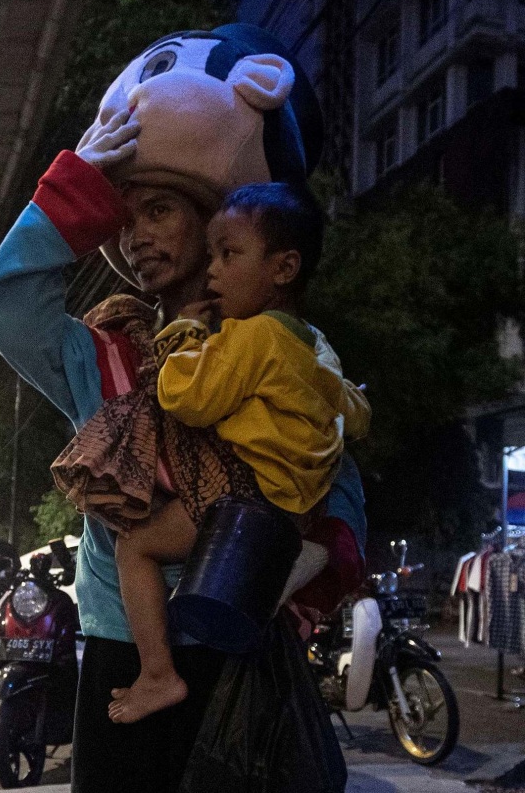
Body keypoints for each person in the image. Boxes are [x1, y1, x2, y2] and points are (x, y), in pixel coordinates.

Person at [0, 23, 367, 793]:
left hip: (240, 653)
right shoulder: (107, 355)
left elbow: (340, 485)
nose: (137, 236)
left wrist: (289, 578)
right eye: (123, 217)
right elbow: (9, 300)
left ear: (219, 219)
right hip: (123, 653)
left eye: (159, 209)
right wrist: (76, 189)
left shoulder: (280, 352)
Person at [86, 182, 370, 725]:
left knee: (136, 548)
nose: (213, 270)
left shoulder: (254, 336)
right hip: (294, 502)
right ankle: (299, 563)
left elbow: (185, 399)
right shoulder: (313, 344)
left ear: (283, 268)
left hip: (241, 493)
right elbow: (355, 414)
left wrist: (185, 334)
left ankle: (156, 675)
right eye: (212, 253)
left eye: (230, 254)